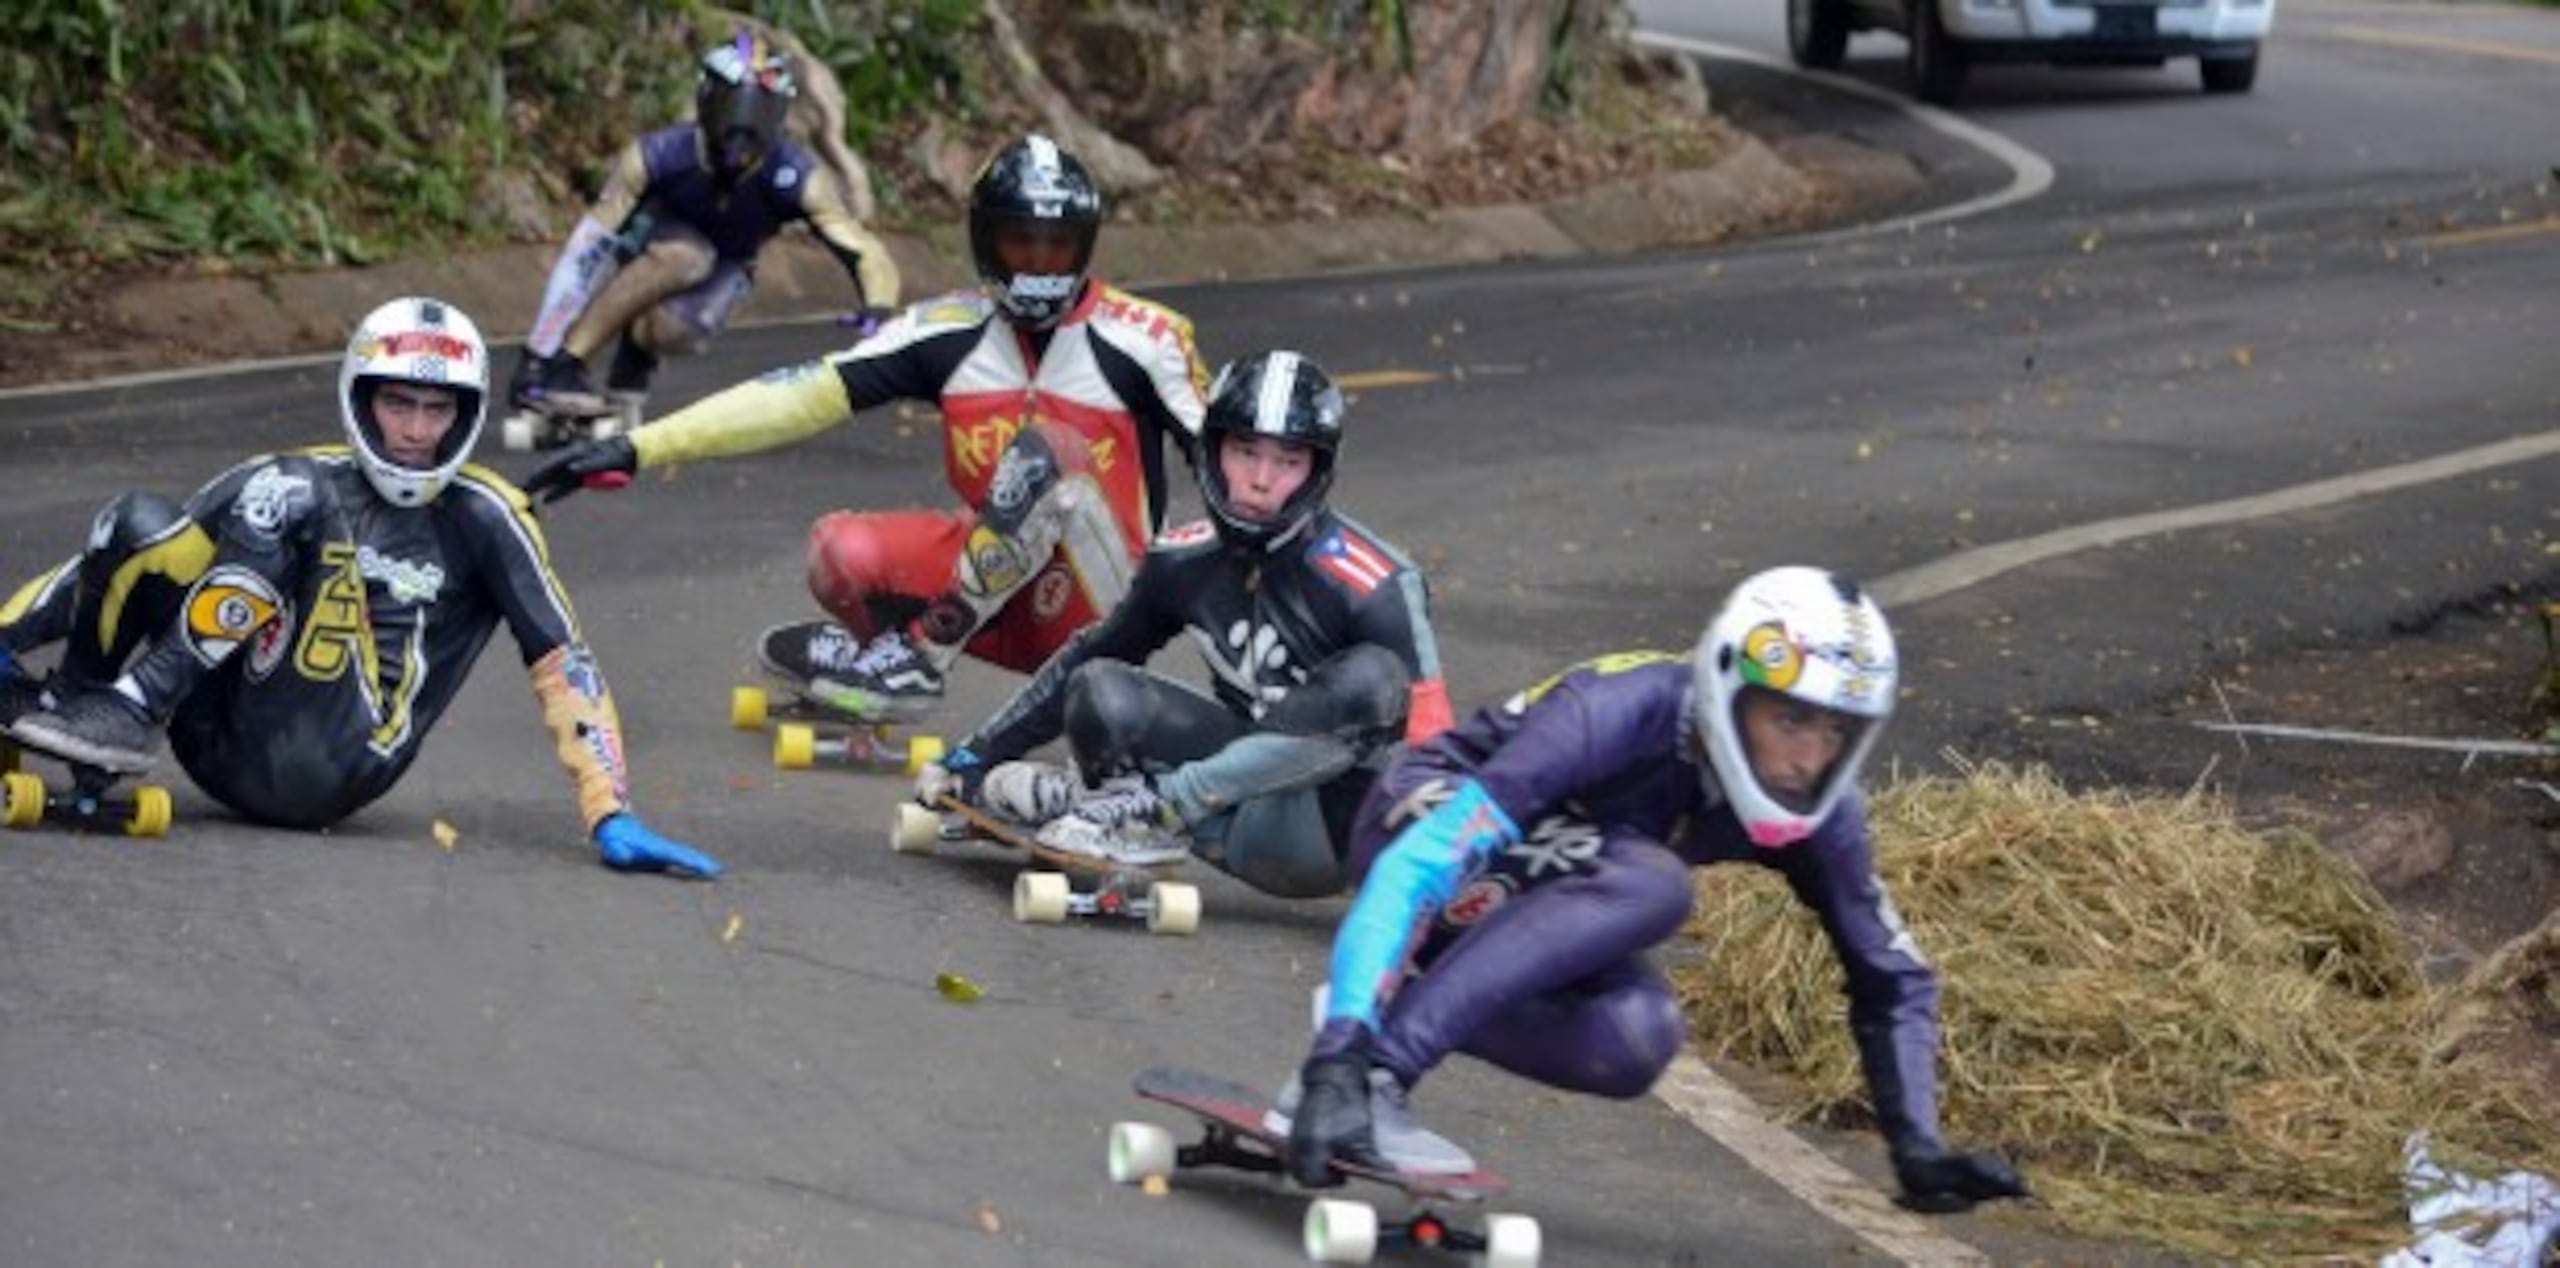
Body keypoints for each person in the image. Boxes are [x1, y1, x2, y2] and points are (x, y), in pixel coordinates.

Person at [1275, 566, 2031, 1212]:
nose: (1808, 757)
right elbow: (1419, 863)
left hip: (1554, 884)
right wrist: (1342, 1057)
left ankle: (1385, 1004)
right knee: (1650, 883)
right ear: (1730, 688)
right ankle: (1369, 1070)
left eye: (1836, 733)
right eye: (1791, 719)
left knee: (1638, 1038)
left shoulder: (1824, 813)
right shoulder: (1611, 713)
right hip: (1420, 821)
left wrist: (1917, 1142)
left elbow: (1891, 974)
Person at [0, 297, 722, 879]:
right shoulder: (287, 475)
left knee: (294, 496)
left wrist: (609, 808)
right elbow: (129, 562)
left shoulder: (485, 513)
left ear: (463, 416)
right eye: (398, 404)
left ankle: (133, 704)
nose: (414, 431)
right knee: (142, 519)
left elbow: (563, 661)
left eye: (436, 411)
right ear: (361, 398)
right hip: (218, 731)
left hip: (336, 760)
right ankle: (81, 713)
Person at [522, 133, 1210, 723]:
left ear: (1085, 245)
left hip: (1098, 601)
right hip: (989, 593)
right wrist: (638, 447)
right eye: (1020, 243)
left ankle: (916, 657)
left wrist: (1249, 641)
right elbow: (795, 396)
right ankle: (886, 684)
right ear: (983, 242)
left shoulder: (1146, 338)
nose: (1038, 265)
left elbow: (1237, 478)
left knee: (1051, 455)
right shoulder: (944, 333)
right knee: (839, 551)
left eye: (1057, 248)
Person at [914, 350, 1453, 893]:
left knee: (1375, 679)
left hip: (1325, 833)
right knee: (1099, 685)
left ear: (1317, 471)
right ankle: (1125, 819)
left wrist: (1440, 889)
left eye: (1288, 461)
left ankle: (1139, 806)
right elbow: (1092, 655)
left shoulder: (1378, 581)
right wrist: (974, 757)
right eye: (1245, 452)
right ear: (1213, 450)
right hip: (1229, 816)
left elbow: (1436, 755)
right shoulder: (1180, 559)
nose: (1262, 481)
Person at [508, 29, 900, 423]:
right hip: (651, 247)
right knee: (686, 257)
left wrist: (880, 307)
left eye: (760, 113)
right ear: (707, 102)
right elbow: (586, 252)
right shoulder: (656, 156)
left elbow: (863, 250)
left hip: (728, 264)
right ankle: (567, 368)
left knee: (679, 329)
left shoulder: (796, 176)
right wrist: (541, 356)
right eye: (734, 108)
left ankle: (635, 356)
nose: (743, 129)